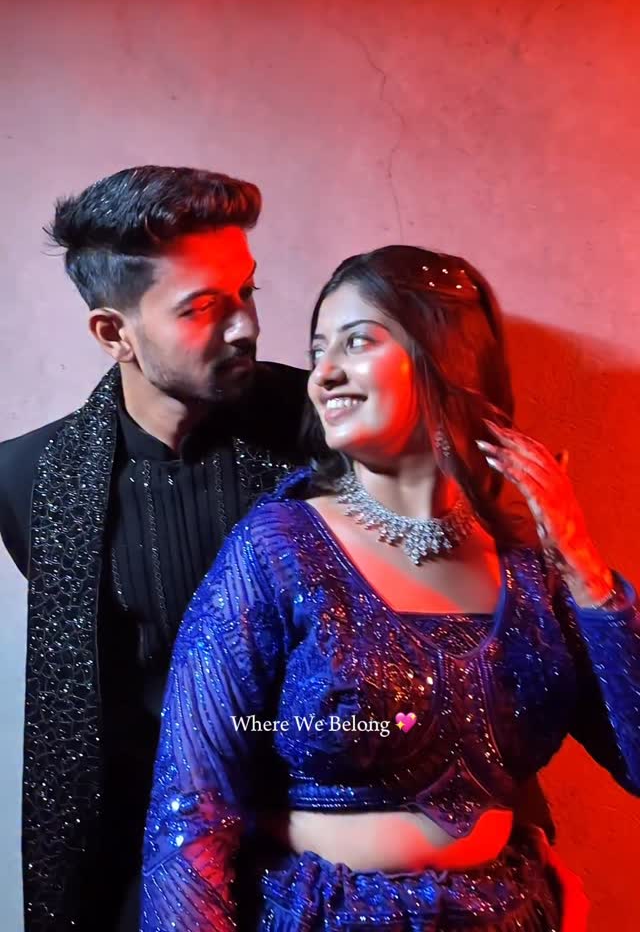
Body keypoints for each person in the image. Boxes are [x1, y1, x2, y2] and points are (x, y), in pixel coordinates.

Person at [142, 244, 640, 931]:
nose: (323, 375)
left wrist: (584, 569)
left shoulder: (530, 571)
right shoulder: (278, 549)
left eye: (357, 341)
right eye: (318, 350)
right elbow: (192, 810)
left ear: (447, 357)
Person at [0, 166, 311, 932]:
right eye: (203, 307)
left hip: (327, 857)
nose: (244, 326)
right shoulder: (30, 480)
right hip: (148, 872)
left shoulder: (324, 427)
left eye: (247, 291)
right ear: (114, 334)